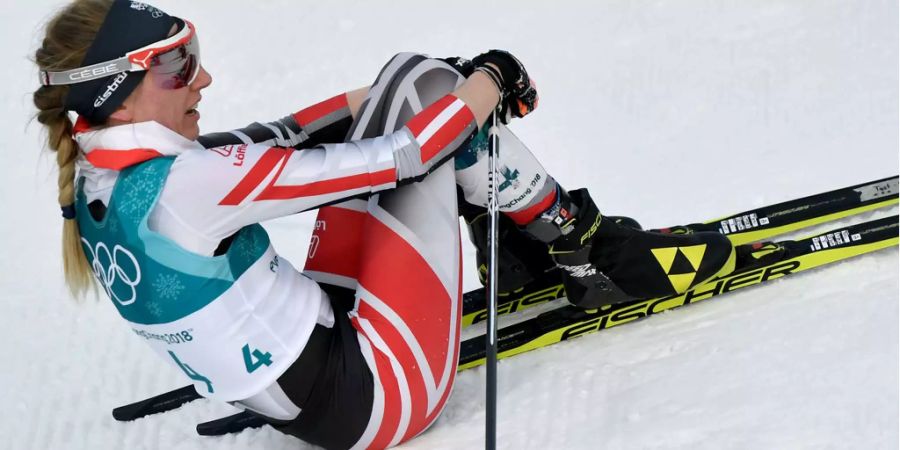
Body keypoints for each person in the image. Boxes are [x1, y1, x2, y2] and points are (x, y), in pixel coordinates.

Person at [33, 0, 735, 448]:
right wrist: (492, 76)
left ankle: (523, 246)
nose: (203, 79)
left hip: (319, 379)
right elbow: (408, 155)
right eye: (178, 66)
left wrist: (445, 86)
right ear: (117, 95)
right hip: (378, 398)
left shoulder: (105, 173)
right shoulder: (189, 186)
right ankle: (583, 251)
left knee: (415, 78)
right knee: (431, 104)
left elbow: (284, 134)